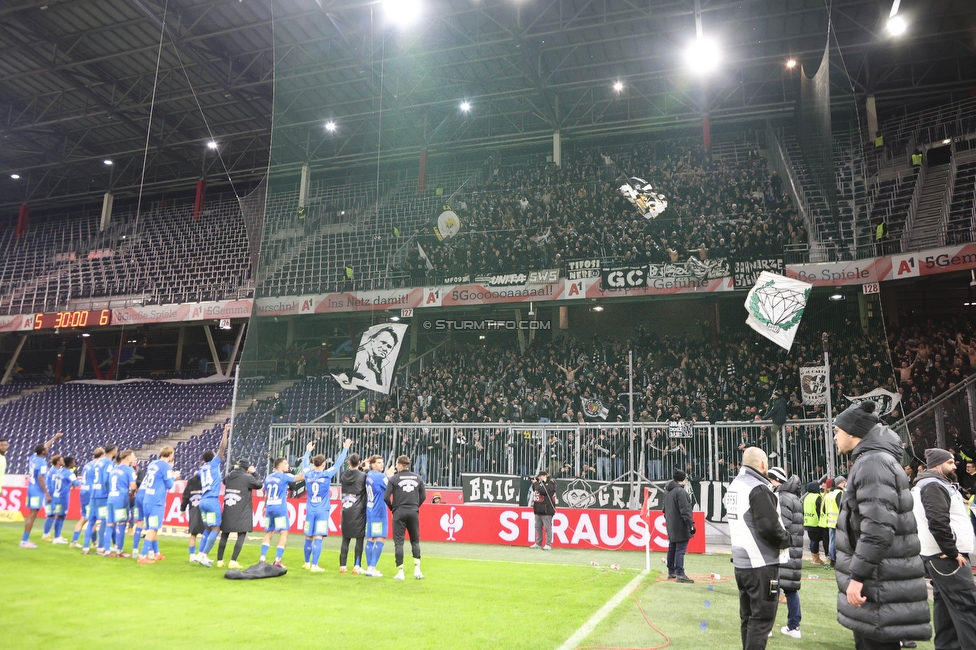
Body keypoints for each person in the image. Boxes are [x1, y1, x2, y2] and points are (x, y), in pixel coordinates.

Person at [832, 401, 931, 649]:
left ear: (853, 432)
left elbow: (877, 530)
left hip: (878, 584)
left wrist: (857, 577)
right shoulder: (873, 460)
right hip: (881, 581)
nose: (835, 437)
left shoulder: (873, 464)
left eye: (837, 431)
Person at [723, 446, 790, 650]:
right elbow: (769, 526)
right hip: (761, 564)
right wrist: (786, 539)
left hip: (743, 565)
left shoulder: (736, 484)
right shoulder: (757, 488)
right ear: (763, 464)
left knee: (749, 619)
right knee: (761, 621)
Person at [911, 448, 976, 649]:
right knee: (967, 609)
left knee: (946, 613)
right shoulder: (932, 485)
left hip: (941, 556)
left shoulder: (934, 484)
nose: (955, 465)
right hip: (947, 557)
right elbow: (938, 522)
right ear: (938, 465)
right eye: (950, 462)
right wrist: (953, 550)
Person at [301, 438, 352, 572]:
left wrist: (307, 451)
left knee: (308, 536)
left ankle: (306, 563)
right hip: (322, 510)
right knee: (318, 536)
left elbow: (303, 465)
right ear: (323, 464)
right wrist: (345, 448)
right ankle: (315, 565)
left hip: (310, 509)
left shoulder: (308, 473)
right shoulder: (327, 474)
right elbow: (338, 464)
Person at [768, 466, 803, 639]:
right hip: (794, 551)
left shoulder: (782, 498)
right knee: (790, 590)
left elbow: (781, 527)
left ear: (776, 480)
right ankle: (794, 627)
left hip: (783, 551)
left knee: (772, 589)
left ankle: (767, 627)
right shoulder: (795, 498)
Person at [384, 455, 426, 581]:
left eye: (396, 464)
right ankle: (417, 570)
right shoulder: (418, 478)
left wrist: (393, 509)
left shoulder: (394, 479)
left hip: (399, 512)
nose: (396, 466)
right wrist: (415, 506)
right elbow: (423, 496)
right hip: (413, 511)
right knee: (415, 541)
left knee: (399, 542)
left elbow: (386, 497)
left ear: (400, 465)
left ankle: (401, 572)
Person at [217, 459, 263, 569]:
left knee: (224, 535)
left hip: (229, 509)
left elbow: (224, 481)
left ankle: (219, 560)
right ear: (247, 468)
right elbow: (259, 484)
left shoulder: (229, 476)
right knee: (241, 534)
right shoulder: (247, 477)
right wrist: (254, 473)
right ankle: (233, 560)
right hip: (242, 510)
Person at [195, 424, 229, 567]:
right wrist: (225, 432)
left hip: (202, 501)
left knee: (208, 528)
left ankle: (200, 554)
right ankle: (203, 555)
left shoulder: (201, 469)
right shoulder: (214, 464)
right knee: (216, 529)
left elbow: (195, 474)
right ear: (212, 458)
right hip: (212, 500)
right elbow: (222, 448)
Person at [138, 446, 179, 564]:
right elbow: (170, 484)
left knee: (153, 528)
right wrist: (174, 476)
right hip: (156, 501)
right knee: (153, 528)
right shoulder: (166, 466)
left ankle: (156, 553)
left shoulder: (153, 463)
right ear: (170, 455)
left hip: (147, 499)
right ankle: (143, 556)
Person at [22, 434, 62, 548]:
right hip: (37, 491)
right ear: (43, 451)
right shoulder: (42, 463)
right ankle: (24, 541)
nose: (48, 449)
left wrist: (54, 438)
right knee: (32, 515)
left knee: (32, 515)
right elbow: (41, 478)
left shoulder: (33, 457)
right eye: (46, 449)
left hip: (31, 488)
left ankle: (25, 540)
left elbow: (45, 445)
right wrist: (47, 494)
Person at [261, 456, 296, 568]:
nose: (288, 466)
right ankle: (277, 560)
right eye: (286, 464)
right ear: (280, 466)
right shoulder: (284, 477)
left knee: (269, 533)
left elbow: (266, 494)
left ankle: (262, 558)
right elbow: (300, 477)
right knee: (283, 533)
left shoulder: (268, 478)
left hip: (270, 508)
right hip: (280, 509)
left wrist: (265, 506)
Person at [663, 468, 695, 583]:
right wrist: (690, 524)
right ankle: (680, 574)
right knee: (680, 550)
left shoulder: (667, 491)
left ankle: (671, 571)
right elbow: (685, 510)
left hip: (670, 524)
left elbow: (664, 510)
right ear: (683, 479)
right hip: (680, 524)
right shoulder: (681, 492)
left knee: (672, 547)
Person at [364, 455, 394, 577]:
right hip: (379, 511)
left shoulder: (369, 475)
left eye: (382, 462)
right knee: (380, 538)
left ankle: (369, 568)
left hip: (370, 510)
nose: (381, 465)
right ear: (372, 464)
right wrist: (390, 476)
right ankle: (372, 567)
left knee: (370, 539)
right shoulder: (380, 477)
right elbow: (391, 487)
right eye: (378, 463)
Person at [339, 452, 368, 574]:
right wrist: (365, 469)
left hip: (346, 507)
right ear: (360, 462)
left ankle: (342, 566)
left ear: (348, 462)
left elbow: (350, 472)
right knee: (359, 539)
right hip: (358, 509)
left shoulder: (343, 475)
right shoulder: (363, 475)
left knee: (346, 539)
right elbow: (362, 478)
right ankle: (357, 565)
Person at [106, 450, 138, 557]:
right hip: (121, 500)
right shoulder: (129, 470)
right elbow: (133, 486)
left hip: (111, 499)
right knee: (121, 524)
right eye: (133, 456)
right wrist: (132, 493)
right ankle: (119, 551)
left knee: (109, 523)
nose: (134, 458)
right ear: (127, 457)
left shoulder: (114, 469)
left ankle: (106, 550)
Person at [87, 444, 117, 556]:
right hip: (103, 495)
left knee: (92, 521)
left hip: (94, 493)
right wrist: (110, 492)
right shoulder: (109, 463)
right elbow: (106, 479)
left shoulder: (98, 462)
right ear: (113, 452)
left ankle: (87, 546)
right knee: (104, 520)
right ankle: (101, 546)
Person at [72, 447, 102, 549]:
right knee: (92, 518)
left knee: (85, 516)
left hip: (83, 491)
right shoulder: (97, 466)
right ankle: (92, 543)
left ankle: (75, 541)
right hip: (91, 492)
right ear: (102, 456)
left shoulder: (87, 465)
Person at [48, 456, 80, 544]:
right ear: (70, 464)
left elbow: (53, 483)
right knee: (61, 516)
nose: (74, 463)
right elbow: (76, 483)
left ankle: (57, 535)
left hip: (56, 496)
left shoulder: (57, 471)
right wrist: (85, 482)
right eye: (73, 462)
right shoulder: (69, 473)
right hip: (63, 497)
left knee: (59, 516)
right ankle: (57, 537)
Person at [181, 463, 205, 565]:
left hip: (193, 507)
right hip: (205, 508)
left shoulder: (191, 480)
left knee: (193, 534)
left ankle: (192, 556)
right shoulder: (208, 479)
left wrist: (182, 509)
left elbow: (186, 495)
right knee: (206, 534)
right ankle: (202, 555)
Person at [529, 469, 558, 551]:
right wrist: (535, 483)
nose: (539, 478)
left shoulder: (550, 483)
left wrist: (536, 483)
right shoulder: (539, 483)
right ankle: (538, 543)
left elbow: (543, 491)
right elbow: (535, 489)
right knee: (537, 527)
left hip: (547, 509)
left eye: (540, 476)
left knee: (547, 527)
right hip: (538, 508)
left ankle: (548, 544)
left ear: (544, 476)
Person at [824, 475, 847, 567]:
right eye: (843, 482)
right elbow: (841, 507)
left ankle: (832, 559)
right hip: (838, 521)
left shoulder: (829, 494)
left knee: (832, 540)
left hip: (831, 520)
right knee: (838, 541)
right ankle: (835, 559)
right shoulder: (840, 494)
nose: (844, 484)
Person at [802, 481, 826, 566]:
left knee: (812, 540)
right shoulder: (817, 497)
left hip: (808, 521)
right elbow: (820, 510)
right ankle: (816, 559)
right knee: (816, 540)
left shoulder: (807, 497)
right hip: (816, 522)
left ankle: (814, 557)